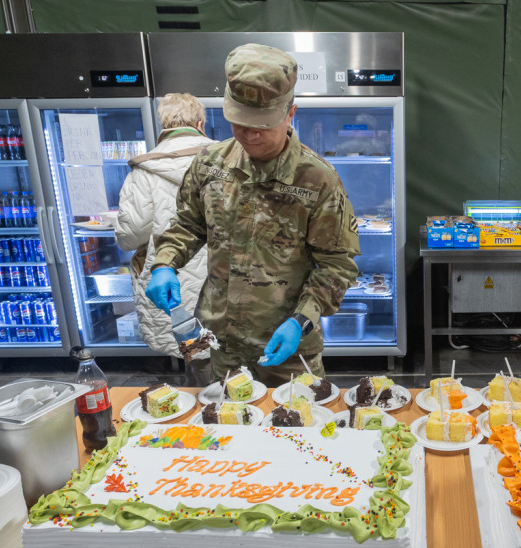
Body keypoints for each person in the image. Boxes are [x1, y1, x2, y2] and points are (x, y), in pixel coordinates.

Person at [145, 43, 360, 384]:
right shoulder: (209, 164)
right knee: (226, 433)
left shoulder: (317, 180)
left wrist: (300, 320)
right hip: (221, 344)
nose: (250, 134)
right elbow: (188, 224)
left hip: (287, 348)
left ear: (290, 113)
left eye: (262, 124)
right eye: (240, 122)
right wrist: (164, 264)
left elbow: (338, 265)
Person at [114, 93, 218, 385]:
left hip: (168, 278)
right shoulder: (226, 159)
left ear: (163, 124)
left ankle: (201, 409)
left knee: (194, 351)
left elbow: (129, 235)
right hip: (225, 278)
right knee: (230, 360)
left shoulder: (143, 170)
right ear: (200, 123)